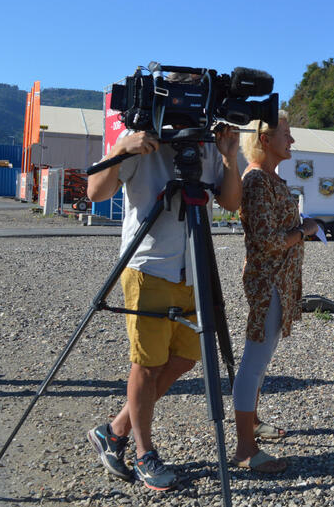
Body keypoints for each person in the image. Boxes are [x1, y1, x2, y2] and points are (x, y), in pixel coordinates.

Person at [85, 81, 242, 491]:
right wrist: (122, 149)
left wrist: (229, 157)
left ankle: (114, 430)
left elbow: (230, 202)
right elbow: (95, 192)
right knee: (147, 364)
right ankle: (144, 454)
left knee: (187, 357)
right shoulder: (138, 140)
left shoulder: (208, 145)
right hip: (148, 266)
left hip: (192, 267)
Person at [231, 111, 316, 474]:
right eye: (286, 134)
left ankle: (251, 424)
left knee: (261, 361)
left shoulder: (269, 179)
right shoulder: (256, 181)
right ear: (265, 139)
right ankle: (245, 448)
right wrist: (304, 231)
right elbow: (266, 241)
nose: (291, 140)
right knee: (254, 362)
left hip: (279, 282)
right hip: (268, 283)